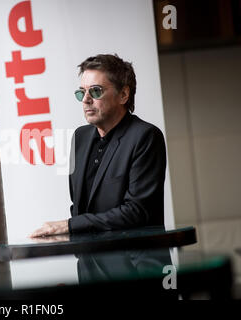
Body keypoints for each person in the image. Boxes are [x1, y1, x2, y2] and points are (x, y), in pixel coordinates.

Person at [30, 54, 166, 237]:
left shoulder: (145, 136)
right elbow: (78, 207)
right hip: (89, 261)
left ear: (123, 95)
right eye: (81, 92)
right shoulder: (80, 137)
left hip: (135, 262)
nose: (86, 99)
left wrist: (69, 226)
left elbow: (137, 212)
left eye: (95, 91)